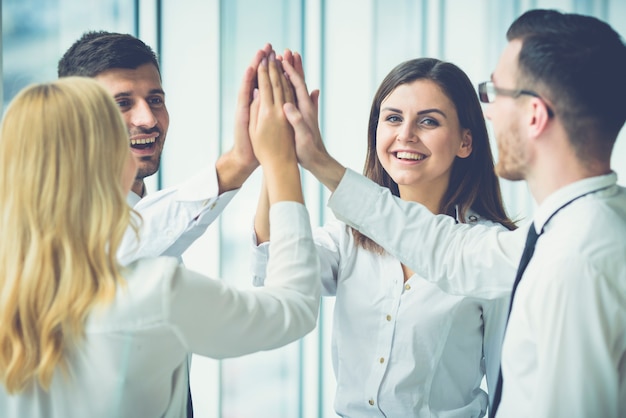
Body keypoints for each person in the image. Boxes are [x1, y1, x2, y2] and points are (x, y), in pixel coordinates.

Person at [280, 9, 626, 418]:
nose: (489, 112)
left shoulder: (577, 259)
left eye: (495, 94)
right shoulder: (566, 232)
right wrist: (307, 160)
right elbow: (447, 250)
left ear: (534, 115)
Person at [0, 57, 319, 417]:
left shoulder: (13, 283)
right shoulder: (153, 290)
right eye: (119, 111)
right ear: (102, 156)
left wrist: (247, 161)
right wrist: (279, 161)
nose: (146, 121)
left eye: (155, 100)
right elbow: (293, 310)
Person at [252, 54, 516, 416]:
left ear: (465, 142)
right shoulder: (350, 236)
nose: (405, 135)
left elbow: (511, 390)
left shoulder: (487, 252)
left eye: (428, 121)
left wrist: (315, 158)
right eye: (392, 118)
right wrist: (277, 150)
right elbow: (276, 262)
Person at [58, 31, 269, 265]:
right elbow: (124, 246)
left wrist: (274, 157)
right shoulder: (63, 229)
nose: (148, 120)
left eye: (155, 100)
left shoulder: (158, 232)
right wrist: (239, 161)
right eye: (122, 104)